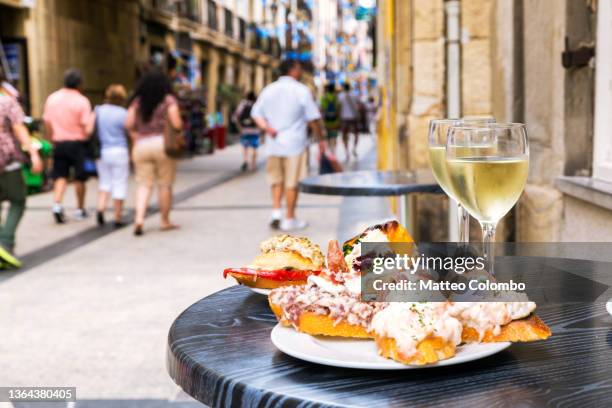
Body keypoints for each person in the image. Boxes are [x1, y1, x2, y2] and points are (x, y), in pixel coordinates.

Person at [251, 59, 326, 231]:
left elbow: (256, 113)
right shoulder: (301, 90)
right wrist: (321, 140)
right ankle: (290, 218)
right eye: (299, 68)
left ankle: (276, 212)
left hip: (274, 143)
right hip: (295, 144)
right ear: (292, 70)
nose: (300, 72)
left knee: (276, 179)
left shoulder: (268, 90)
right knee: (292, 182)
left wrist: (267, 128)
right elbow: (313, 118)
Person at [125, 69, 182, 236]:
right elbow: (177, 124)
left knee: (143, 184)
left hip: (141, 145)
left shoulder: (137, 101)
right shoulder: (168, 100)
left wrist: (136, 134)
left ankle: (139, 220)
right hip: (162, 145)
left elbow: (128, 123)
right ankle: (164, 221)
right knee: (164, 184)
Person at [0, 68, 43, 267]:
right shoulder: (7, 102)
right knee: (18, 200)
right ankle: (5, 243)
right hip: (7, 161)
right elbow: (19, 128)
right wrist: (34, 154)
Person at [43, 68, 92, 223]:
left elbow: (47, 121)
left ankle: (57, 205)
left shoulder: (52, 98)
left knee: (60, 176)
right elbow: (87, 126)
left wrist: (51, 137)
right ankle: (80, 209)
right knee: (79, 178)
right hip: (77, 144)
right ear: (79, 83)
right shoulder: (82, 101)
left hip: (59, 142)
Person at [86, 84, 129, 228]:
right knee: (119, 182)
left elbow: (88, 129)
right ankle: (118, 216)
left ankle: (100, 208)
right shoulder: (124, 113)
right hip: (119, 151)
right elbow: (130, 131)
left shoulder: (98, 110)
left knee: (105, 182)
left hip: (102, 151)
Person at [232, 91, 259, 171]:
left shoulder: (243, 104)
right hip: (255, 130)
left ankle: (245, 160)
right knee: (254, 147)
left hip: (245, 129)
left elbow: (236, 115)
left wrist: (239, 127)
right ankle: (253, 164)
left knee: (245, 146)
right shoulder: (257, 105)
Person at [338, 83, 360, 161]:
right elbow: (359, 105)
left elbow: (339, 107)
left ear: (343, 88)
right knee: (356, 134)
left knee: (344, 135)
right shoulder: (354, 95)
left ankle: (346, 152)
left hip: (344, 118)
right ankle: (354, 148)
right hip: (353, 117)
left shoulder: (340, 96)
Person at [319, 83, 341, 152]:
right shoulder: (336, 97)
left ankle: (329, 151)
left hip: (326, 120)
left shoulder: (323, 97)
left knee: (327, 136)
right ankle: (334, 151)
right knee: (334, 136)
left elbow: (321, 109)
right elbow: (338, 109)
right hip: (335, 120)